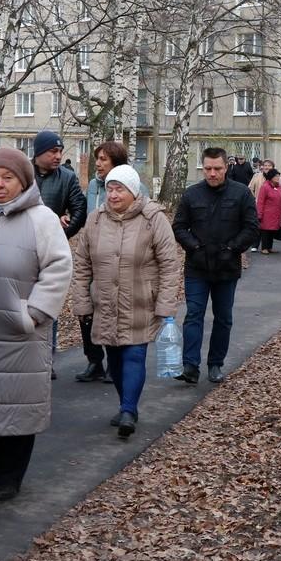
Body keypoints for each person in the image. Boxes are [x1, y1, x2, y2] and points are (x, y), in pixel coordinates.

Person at [0, 148, 72, 500]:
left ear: (23, 181)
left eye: (7, 178)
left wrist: (33, 313)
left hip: (20, 332)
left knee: (17, 406)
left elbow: (59, 268)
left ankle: (10, 475)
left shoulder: (42, 218)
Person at [72, 165, 179, 438]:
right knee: (115, 359)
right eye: (110, 188)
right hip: (105, 303)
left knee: (134, 354)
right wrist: (83, 301)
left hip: (140, 301)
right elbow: (82, 264)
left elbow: (169, 264)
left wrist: (165, 304)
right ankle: (125, 404)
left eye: (120, 189)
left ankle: (129, 410)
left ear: (133, 191)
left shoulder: (153, 218)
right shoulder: (95, 220)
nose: (113, 194)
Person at [172, 147, 259, 385]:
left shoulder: (241, 194)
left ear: (226, 167)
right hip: (197, 266)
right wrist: (194, 247)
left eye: (217, 168)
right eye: (208, 168)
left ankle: (215, 364)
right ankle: (190, 365)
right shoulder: (192, 194)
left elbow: (251, 227)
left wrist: (232, 249)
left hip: (226, 266)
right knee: (194, 315)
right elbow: (179, 226)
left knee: (223, 318)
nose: (212, 173)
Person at [31, 130, 88, 379]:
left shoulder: (67, 178)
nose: (58, 156)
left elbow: (79, 209)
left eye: (59, 151)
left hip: (49, 255)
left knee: (48, 307)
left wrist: (61, 234)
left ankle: (47, 359)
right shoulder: (22, 175)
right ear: (38, 153)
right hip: (20, 251)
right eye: (53, 151)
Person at [78, 141, 134, 383]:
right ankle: (94, 360)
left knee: (113, 312)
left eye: (103, 159)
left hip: (118, 260)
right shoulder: (92, 185)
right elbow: (87, 214)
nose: (98, 163)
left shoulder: (134, 186)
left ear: (116, 163)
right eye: (97, 158)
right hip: (93, 256)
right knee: (86, 310)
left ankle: (115, 363)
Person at [255, 169, 281, 254]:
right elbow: (260, 202)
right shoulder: (265, 187)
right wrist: (259, 214)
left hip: (276, 213)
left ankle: (270, 247)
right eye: (276, 176)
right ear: (271, 177)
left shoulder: (279, 187)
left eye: (278, 176)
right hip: (267, 213)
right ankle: (264, 248)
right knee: (266, 231)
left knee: (272, 231)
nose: (278, 178)